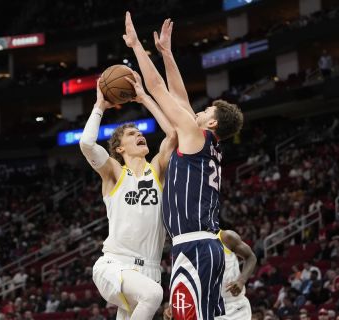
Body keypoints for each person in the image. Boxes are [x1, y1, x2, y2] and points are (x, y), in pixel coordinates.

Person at [124, 13, 244, 319]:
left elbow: (159, 89)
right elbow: (179, 95)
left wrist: (137, 47)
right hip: (201, 246)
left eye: (205, 110)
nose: (198, 111)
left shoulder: (196, 136)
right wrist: (166, 53)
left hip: (195, 247)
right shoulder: (203, 143)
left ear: (212, 122)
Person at [80, 72, 176, 319]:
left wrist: (145, 99)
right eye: (131, 134)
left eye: (139, 132)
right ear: (119, 148)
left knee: (149, 294)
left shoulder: (156, 170)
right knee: (153, 295)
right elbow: (87, 144)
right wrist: (100, 105)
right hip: (116, 265)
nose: (139, 135)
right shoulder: (113, 172)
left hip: (150, 271)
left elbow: (173, 135)